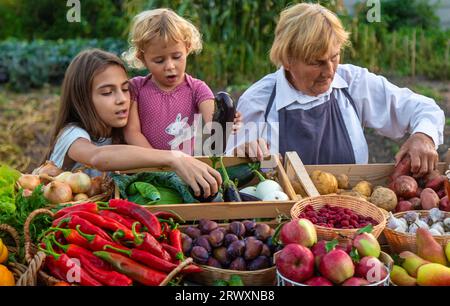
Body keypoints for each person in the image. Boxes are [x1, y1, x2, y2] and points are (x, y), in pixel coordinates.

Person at [227, 2, 445, 177]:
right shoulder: (258, 101)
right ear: (287, 60)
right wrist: (241, 154)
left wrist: (424, 136)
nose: (330, 71)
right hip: (281, 223)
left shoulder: (353, 83)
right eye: (316, 62)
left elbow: (424, 108)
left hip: (351, 216)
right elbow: (232, 170)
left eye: (334, 57)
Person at [43, 48, 221, 198]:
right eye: (107, 93)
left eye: (125, 89)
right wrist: (174, 158)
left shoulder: (119, 134)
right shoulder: (72, 134)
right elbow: (97, 157)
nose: (121, 99)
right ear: (82, 100)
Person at [122, 8, 241, 155]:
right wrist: (160, 161)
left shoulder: (197, 89)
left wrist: (227, 121)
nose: (170, 66)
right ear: (142, 59)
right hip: (146, 167)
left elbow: (214, 123)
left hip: (185, 170)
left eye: (177, 57)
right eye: (159, 60)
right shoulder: (136, 88)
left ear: (187, 49)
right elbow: (132, 133)